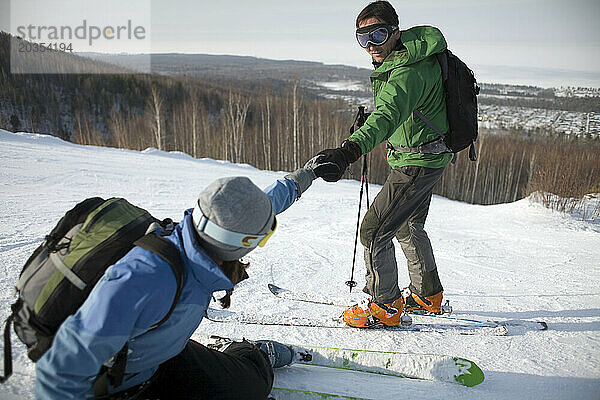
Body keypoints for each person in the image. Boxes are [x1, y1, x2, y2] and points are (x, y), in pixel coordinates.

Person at [34, 166, 318, 399]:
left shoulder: (205, 234)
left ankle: (252, 355)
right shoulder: (145, 279)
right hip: (123, 384)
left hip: (160, 354)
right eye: (263, 238)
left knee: (253, 384)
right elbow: (59, 370)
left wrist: (307, 175)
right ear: (237, 244)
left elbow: (255, 207)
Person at [311, 1, 452, 328]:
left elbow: (389, 114)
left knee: (374, 231)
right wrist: (371, 122)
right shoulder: (413, 57)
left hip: (416, 163)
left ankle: (385, 306)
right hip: (430, 156)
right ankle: (427, 294)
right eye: (363, 38)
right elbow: (399, 111)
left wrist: (349, 150)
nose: (371, 44)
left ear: (395, 32)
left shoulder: (407, 70)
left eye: (378, 34)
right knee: (407, 225)